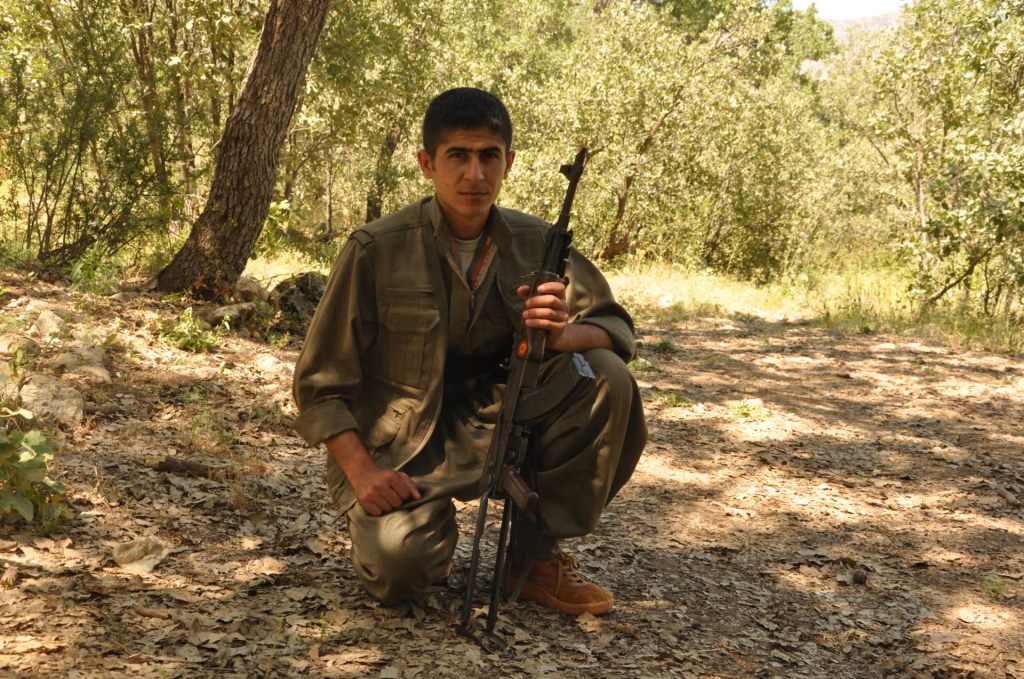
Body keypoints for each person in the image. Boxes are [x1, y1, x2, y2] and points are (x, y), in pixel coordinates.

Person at [292, 87, 647, 616]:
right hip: (402, 445)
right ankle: (425, 540)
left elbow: (614, 326)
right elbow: (319, 385)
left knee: (606, 376)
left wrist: (561, 335)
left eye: (489, 156)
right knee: (400, 572)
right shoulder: (376, 248)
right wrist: (363, 472)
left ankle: (533, 559)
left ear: (509, 163)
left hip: (502, 424)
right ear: (427, 164)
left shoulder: (539, 242)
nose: (475, 174)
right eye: (457, 155)